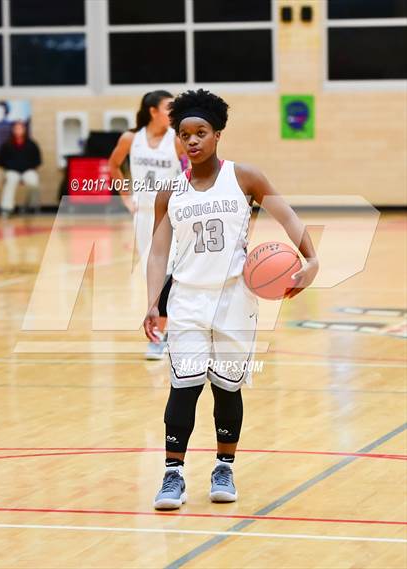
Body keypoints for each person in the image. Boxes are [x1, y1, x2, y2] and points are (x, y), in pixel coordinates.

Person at [144, 89, 319, 510]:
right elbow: (157, 251)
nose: (192, 141)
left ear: (217, 134)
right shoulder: (169, 193)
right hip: (186, 300)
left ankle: (224, 466)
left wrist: (311, 259)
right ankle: (173, 476)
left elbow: (287, 215)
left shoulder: (245, 178)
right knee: (183, 386)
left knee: (227, 388)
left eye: (200, 132)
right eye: (184, 134)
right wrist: (153, 301)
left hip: (235, 301)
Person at [109, 90, 187, 360]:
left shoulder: (176, 140)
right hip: (143, 215)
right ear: (153, 111)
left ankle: (164, 333)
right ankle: (161, 333)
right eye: (168, 108)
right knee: (155, 274)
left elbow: (193, 171)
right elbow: (113, 166)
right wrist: (126, 198)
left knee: (173, 272)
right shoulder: (131, 139)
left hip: (173, 214)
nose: (173, 113)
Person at [0, 121, 42, 217]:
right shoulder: (6, 145)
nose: (18, 130)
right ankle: (7, 208)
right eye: (16, 128)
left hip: (28, 170)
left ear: (24, 130)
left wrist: (29, 168)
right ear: (13, 130)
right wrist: (10, 168)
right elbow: (1, 161)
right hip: (12, 171)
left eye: (20, 128)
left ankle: (32, 206)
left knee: (33, 181)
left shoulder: (31, 144)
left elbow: (38, 160)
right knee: (10, 180)